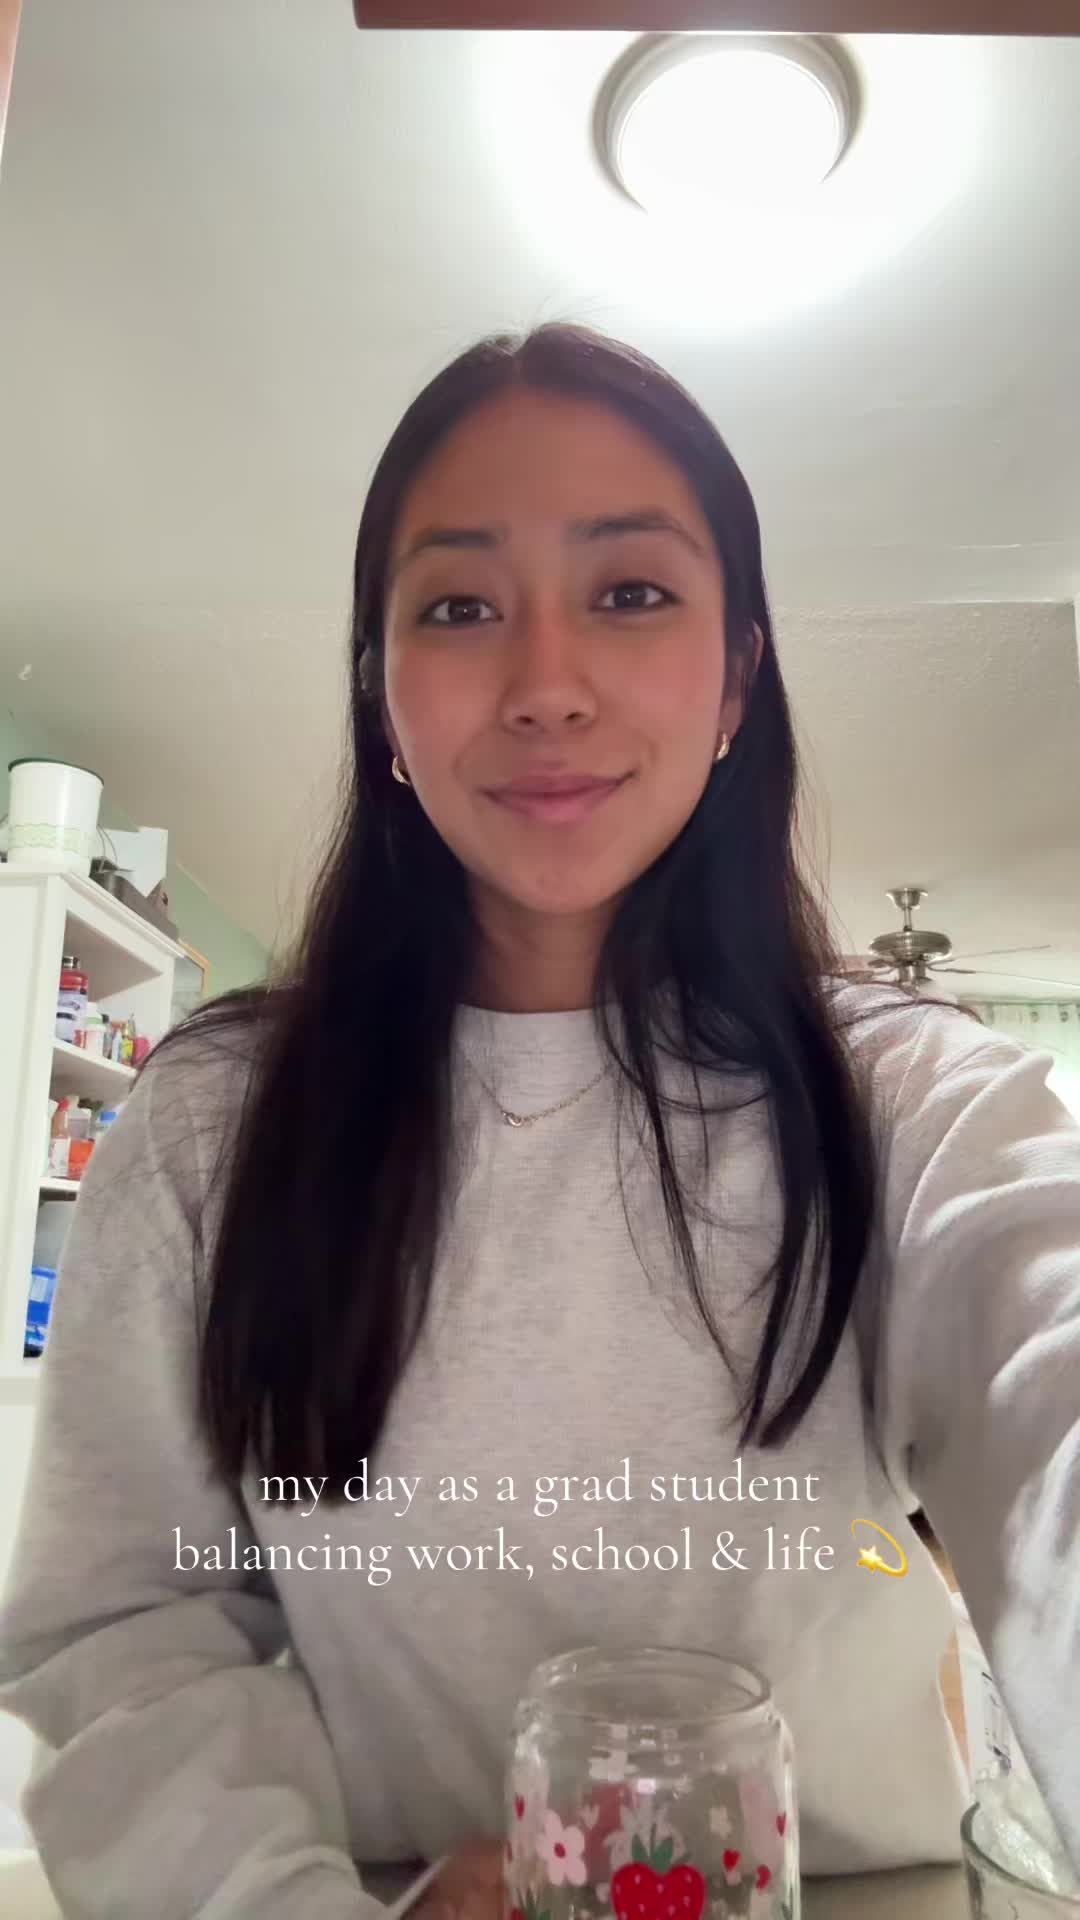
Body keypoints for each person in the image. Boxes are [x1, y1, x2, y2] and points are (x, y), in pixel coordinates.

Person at [1, 323, 1078, 1920]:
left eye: (630, 592)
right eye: (459, 607)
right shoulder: (215, 1127)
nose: (548, 687)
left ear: (738, 676)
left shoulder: (909, 1101)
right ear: (379, 694)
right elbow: (127, 1623)